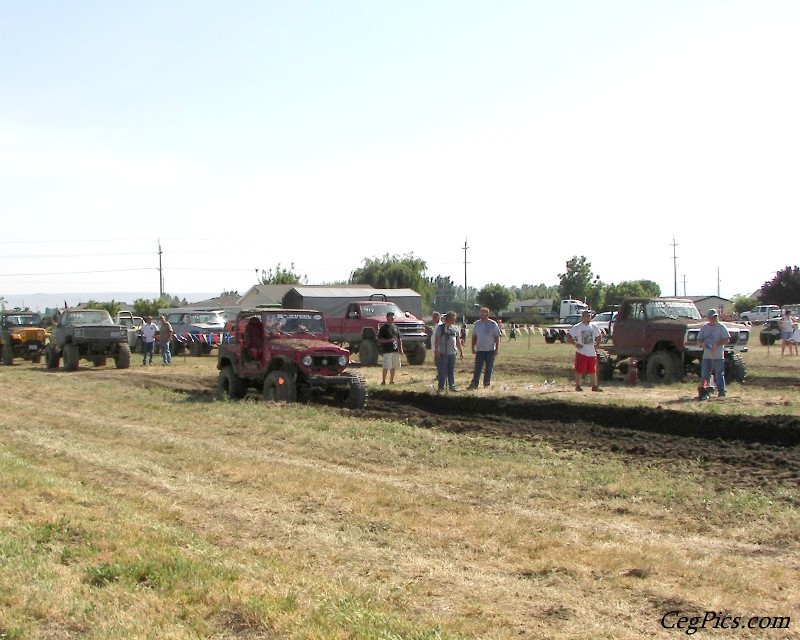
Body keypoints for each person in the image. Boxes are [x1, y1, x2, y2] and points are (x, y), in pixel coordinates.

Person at [696, 308, 731, 400]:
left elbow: (727, 339)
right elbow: (699, 340)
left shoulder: (721, 327)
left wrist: (717, 344)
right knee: (705, 375)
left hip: (718, 356)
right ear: (708, 318)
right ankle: (704, 392)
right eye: (712, 317)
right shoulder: (705, 327)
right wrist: (702, 344)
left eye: (715, 317)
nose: (714, 318)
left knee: (719, 374)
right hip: (706, 356)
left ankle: (721, 392)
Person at [566, 310, 603, 392]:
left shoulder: (593, 326)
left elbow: (599, 335)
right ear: (583, 317)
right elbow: (568, 336)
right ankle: (577, 386)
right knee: (579, 370)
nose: (589, 317)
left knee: (592, 370)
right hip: (582, 352)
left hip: (591, 353)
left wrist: (597, 345)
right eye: (588, 316)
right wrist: (575, 344)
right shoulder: (578, 327)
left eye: (590, 316)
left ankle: (594, 386)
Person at [467, 307, 501, 390]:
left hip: (490, 350)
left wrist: (497, 348)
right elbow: (474, 336)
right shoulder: (477, 324)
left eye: (483, 313)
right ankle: (474, 384)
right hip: (480, 350)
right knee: (477, 368)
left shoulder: (493, 324)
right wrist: (472, 347)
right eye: (481, 313)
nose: (481, 315)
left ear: (487, 314)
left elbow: (497, 337)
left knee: (489, 368)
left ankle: (486, 383)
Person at [434, 310, 463, 392]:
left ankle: (452, 386)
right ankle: (441, 387)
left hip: (452, 353)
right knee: (442, 370)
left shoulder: (455, 328)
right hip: (443, 353)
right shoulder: (441, 328)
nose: (454, 320)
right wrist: (436, 351)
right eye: (453, 318)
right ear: (449, 318)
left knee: (451, 370)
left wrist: (461, 351)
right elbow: (437, 340)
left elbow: (458, 340)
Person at [377, 311, 403, 384]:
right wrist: (388, 340)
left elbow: (399, 338)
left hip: (395, 349)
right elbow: (379, 340)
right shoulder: (383, 328)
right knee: (386, 365)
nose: (392, 319)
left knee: (394, 366)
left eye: (393, 318)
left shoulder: (396, 327)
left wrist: (401, 349)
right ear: (387, 318)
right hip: (387, 350)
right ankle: (384, 381)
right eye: (391, 318)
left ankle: (391, 380)